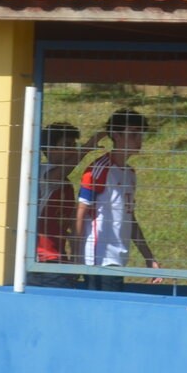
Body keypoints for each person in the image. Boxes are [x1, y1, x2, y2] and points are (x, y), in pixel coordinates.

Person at [76, 108, 159, 291]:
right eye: (133, 134)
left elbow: (129, 217)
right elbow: (80, 212)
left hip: (118, 258)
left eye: (141, 134)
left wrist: (149, 257)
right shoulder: (99, 168)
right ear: (116, 135)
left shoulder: (130, 174)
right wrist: (76, 257)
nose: (139, 140)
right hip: (98, 259)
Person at [29, 122, 103, 288]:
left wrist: (75, 259)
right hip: (41, 259)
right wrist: (86, 148)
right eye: (67, 145)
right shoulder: (42, 173)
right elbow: (61, 172)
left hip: (58, 258)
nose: (73, 150)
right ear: (50, 149)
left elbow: (68, 225)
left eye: (74, 145)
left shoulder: (66, 185)